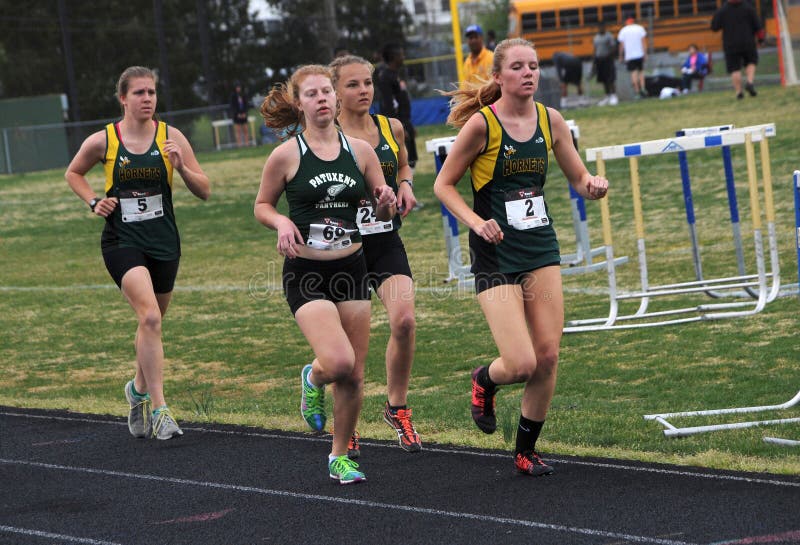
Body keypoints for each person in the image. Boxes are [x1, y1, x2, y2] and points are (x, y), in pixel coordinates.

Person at [433, 38, 608, 476]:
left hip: (539, 246)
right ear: (498, 76)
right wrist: (476, 222)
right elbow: (443, 185)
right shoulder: (482, 126)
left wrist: (592, 185)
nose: (529, 73)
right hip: (494, 251)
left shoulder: (551, 120)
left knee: (548, 356)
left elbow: (577, 176)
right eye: (518, 67)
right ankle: (484, 380)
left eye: (534, 66)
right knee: (521, 362)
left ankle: (526, 452)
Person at [255, 64, 397, 484]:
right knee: (337, 362)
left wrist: (387, 201)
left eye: (326, 92)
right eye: (311, 94)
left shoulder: (361, 152)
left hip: (352, 267)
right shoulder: (286, 154)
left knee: (354, 373)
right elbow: (261, 205)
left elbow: (382, 209)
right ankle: (312, 375)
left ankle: (340, 456)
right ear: (299, 103)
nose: (321, 99)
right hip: (307, 272)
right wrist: (281, 223)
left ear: (336, 99)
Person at [65, 66, 211, 441]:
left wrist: (181, 166)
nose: (147, 99)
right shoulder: (105, 140)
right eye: (139, 93)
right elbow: (74, 173)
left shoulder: (170, 137)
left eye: (151, 93)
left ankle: (136, 389)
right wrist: (93, 200)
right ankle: (161, 410)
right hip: (122, 241)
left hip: (164, 242)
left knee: (154, 322)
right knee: (148, 317)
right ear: (123, 98)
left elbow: (204, 189)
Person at [330, 55, 421, 457]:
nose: (364, 90)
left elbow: (403, 164)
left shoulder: (390, 126)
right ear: (335, 91)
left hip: (384, 240)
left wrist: (405, 185)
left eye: (367, 82)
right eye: (353, 85)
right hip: (344, 248)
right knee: (351, 353)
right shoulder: (325, 136)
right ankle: (346, 425)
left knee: (404, 321)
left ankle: (397, 408)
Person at [374, 43, 418, 169]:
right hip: (397, 125)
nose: (403, 57)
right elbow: (388, 105)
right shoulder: (385, 77)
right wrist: (399, 127)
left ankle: (408, 186)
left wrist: (409, 125)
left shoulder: (395, 74)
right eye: (401, 54)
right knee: (404, 162)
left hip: (404, 122)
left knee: (412, 160)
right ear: (394, 56)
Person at [711, 0, 764, 99]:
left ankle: (739, 92)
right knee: (751, 61)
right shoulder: (749, 8)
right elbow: (758, 26)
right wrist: (761, 39)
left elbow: (714, 27)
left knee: (735, 68)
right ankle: (749, 82)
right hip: (748, 42)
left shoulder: (722, 10)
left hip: (730, 44)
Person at [617, 16, 647, 98]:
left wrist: (620, 56)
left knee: (633, 74)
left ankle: (637, 91)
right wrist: (645, 53)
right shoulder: (640, 28)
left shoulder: (623, 30)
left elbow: (621, 45)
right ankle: (643, 88)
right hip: (639, 54)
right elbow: (643, 42)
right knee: (641, 72)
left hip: (630, 56)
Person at [592, 22, 618, 105]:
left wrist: (608, 55)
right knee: (603, 80)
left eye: (602, 27)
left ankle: (614, 96)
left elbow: (613, 47)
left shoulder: (608, 36)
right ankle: (607, 96)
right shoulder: (596, 38)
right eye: (599, 27)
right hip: (600, 61)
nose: (601, 29)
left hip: (608, 60)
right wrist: (594, 61)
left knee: (610, 79)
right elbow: (595, 49)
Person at [230, 83, 250, 147]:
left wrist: (244, 113)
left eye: (239, 87)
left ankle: (247, 143)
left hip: (244, 115)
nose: (238, 88)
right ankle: (239, 144)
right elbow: (232, 106)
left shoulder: (244, 95)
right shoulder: (233, 96)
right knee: (238, 131)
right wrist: (237, 114)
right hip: (236, 116)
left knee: (245, 130)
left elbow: (246, 105)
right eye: (237, 87)